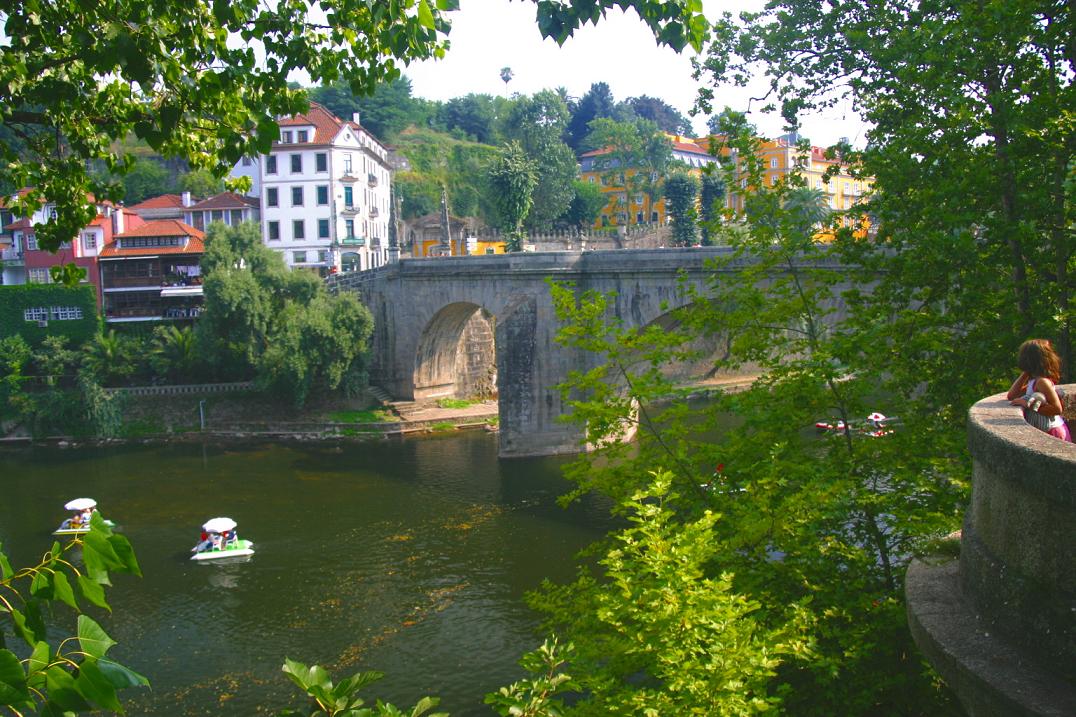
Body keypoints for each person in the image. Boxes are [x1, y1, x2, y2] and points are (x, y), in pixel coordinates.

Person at [1007, 339, 1071, 442]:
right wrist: (1025, 373)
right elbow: (1012, 395)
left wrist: (1027, 404)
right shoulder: (1034, 381)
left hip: (1053, 431)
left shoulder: (1042, 382)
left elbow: (1057, 409)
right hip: (1046, 430)